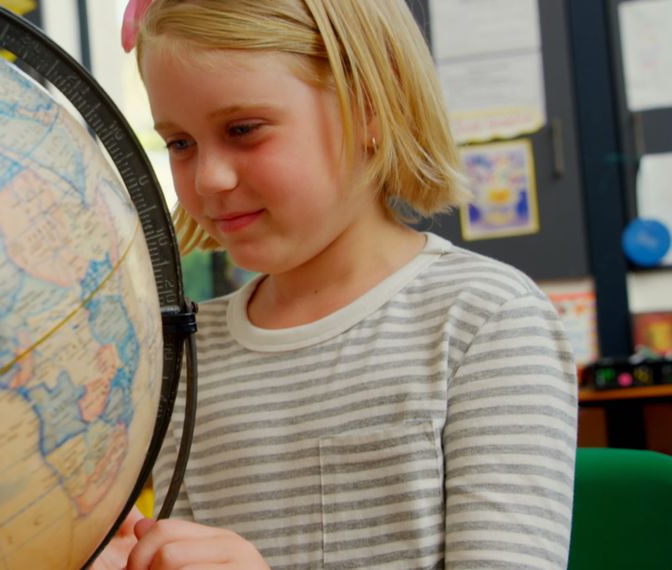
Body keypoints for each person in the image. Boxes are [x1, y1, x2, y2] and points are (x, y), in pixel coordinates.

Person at [94, 0, 579, 568]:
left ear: (369, 110)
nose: (208, 178)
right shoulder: (186, 351)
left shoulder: (486, 323)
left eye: (243, 130)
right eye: (180, 143)